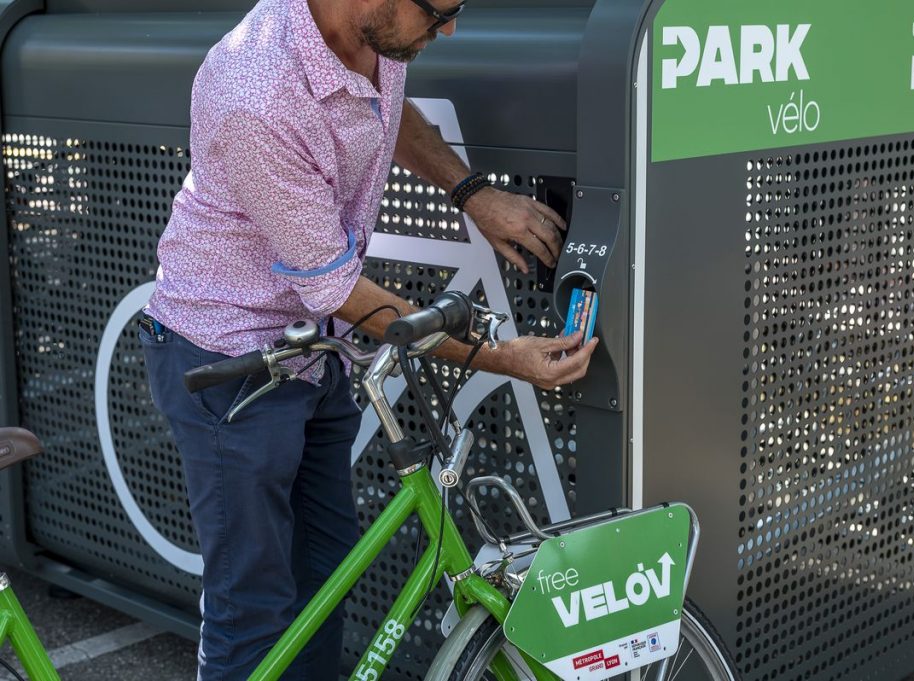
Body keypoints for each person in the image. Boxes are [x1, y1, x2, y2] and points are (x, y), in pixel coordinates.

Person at [138, 0, 599, 679]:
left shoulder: (371, 34)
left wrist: (472, 192)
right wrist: (501, 360)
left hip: (309, 350)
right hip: (228, 360)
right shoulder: (257, 91)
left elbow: (386, 109)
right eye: (439, 11)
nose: (450, 29)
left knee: (325, 582)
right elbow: (339, 292)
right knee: (254, 610)